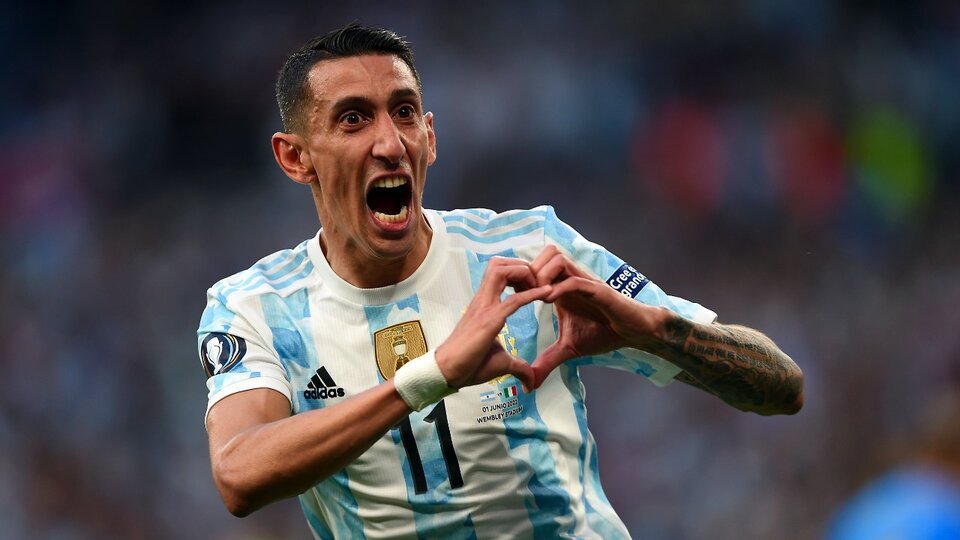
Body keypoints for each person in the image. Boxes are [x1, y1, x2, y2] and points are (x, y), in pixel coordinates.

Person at [197, 23, 804, 539]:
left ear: (429, 138)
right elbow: (239, 475)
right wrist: (434, 375)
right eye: (353, 119)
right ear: (294, 157)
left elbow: (782, 386)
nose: (390, 142)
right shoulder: (256, 306)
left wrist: (649, 327)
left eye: (404, 112)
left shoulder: (528, 249)